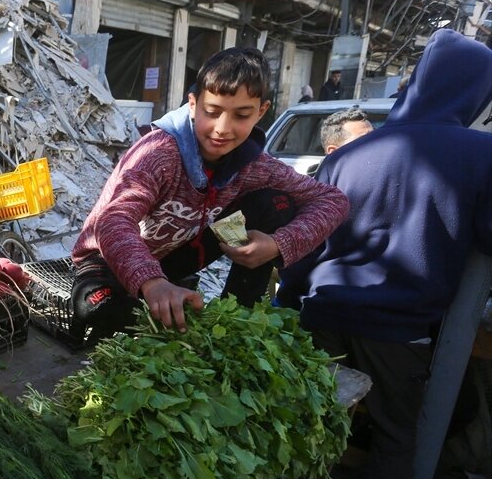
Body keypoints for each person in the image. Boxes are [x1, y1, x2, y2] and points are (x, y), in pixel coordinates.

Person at [278, 29, 492, 479]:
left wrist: (289, 301)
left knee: (321, 416)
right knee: (398, 432)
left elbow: (310, 237)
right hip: (399, 324)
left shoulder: (352, 153)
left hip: (325, 307)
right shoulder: (481, 153)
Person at [69, 47, 349, 341]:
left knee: (276, 204)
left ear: (262, 111)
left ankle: (237, 319)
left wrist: (277, 245)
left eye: (242, 115)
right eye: (212, 112)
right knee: (94, 308)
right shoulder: (158, 154)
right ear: (193, 104)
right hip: (108, 260)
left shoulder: (256, 166)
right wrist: (151, 282)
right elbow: (113, 220)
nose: (222, 129)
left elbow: (333, 200)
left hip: (176, 258)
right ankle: (158, 303)